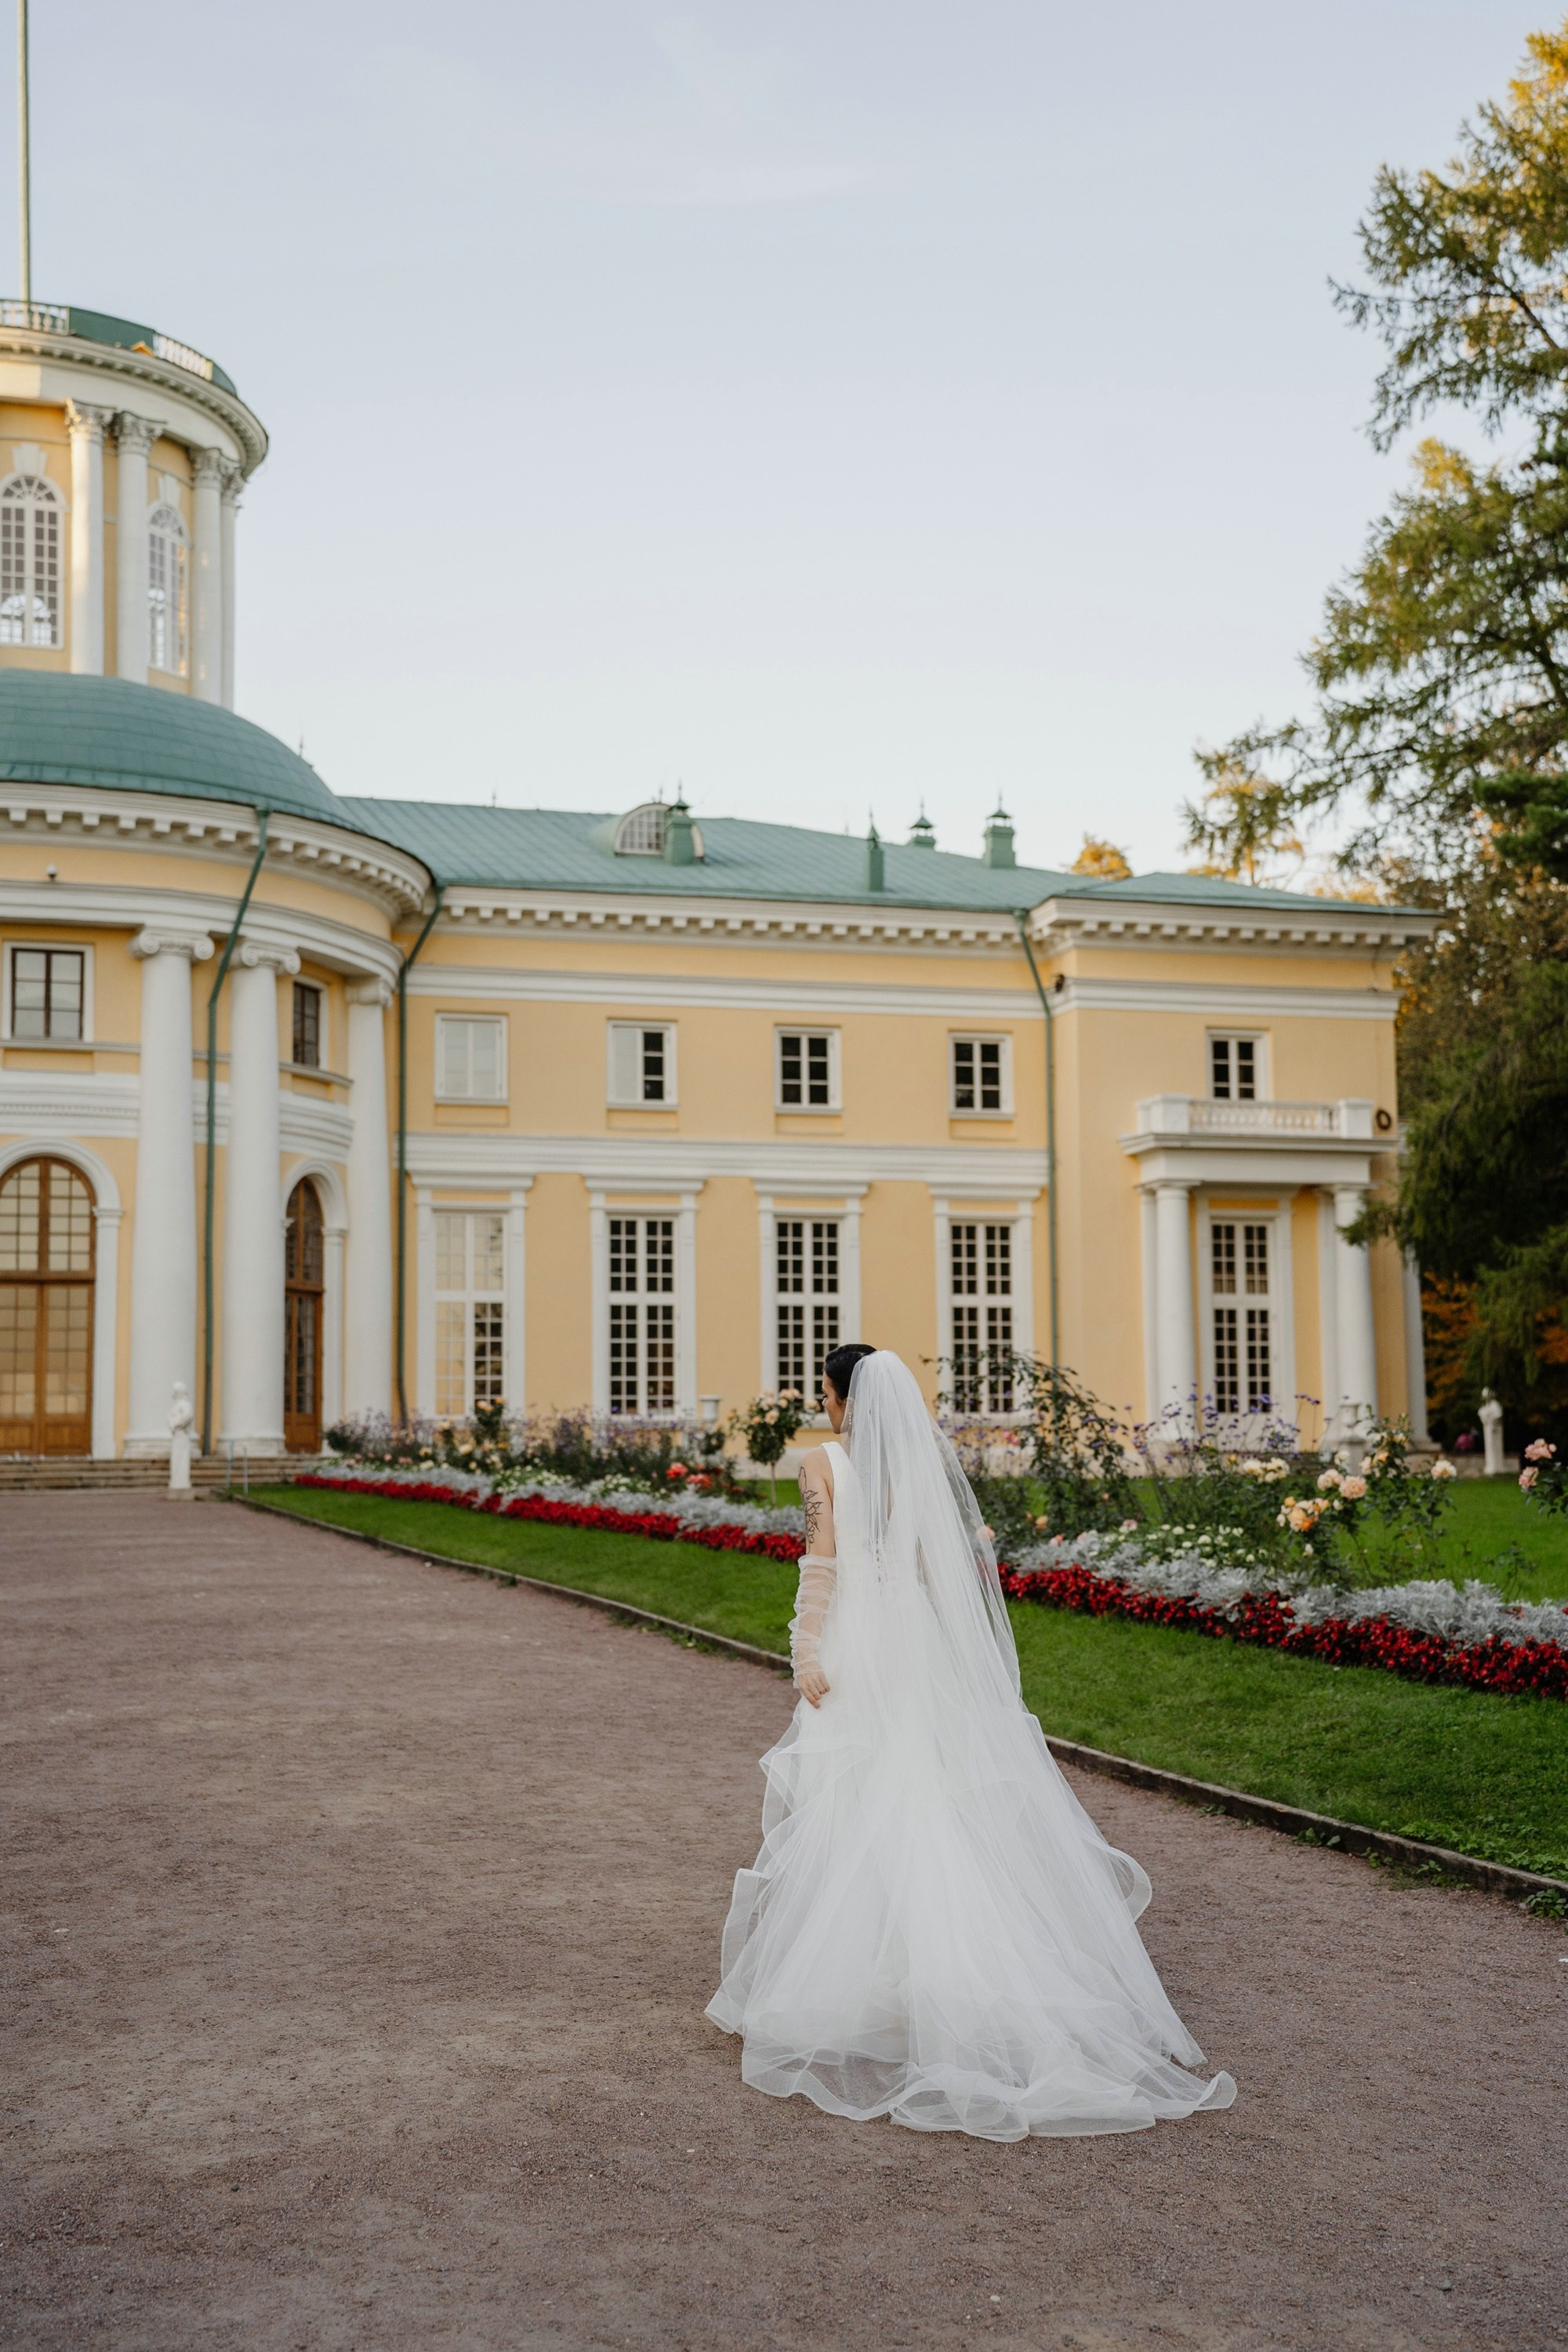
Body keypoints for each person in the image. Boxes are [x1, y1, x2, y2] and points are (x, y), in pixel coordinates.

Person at [706, 1343, 1236, 2141]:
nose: (824, 1405)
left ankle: (871, 1984)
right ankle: (931, 1977)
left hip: (858, 1645)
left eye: (826, 1392)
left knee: (855, 1801)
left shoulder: (820, 1464)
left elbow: (820, 1564)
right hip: (914, 1646)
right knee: (924, 1798)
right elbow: (929, 1570)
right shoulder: (914, 1468)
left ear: (844, 1400)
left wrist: (805, 1649)